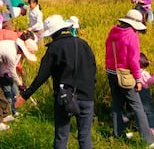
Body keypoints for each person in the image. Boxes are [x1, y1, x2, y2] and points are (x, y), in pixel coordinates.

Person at [16, 14, 96, 149]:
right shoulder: (83, 44)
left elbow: (42, 76)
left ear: (51, 34)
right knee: (84, 137)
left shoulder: (54, 48)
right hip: (87, 96)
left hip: (65, 97)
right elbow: (93, 69)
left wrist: (25, 95)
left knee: (61, 136)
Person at [105, 9, 154, 147]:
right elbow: (133, 60)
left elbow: (108, 48)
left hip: (111, 72)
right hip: (125, 74)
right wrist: (138, 79)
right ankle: (148, 140)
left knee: (117, 104)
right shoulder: (132, 35)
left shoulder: (113, 30)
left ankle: (119, 134)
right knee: (137, 106)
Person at [0, 35, 37, 130]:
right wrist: (20, 85)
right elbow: (12, 72)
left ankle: (6, 114)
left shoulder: (13, 47)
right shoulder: (11, 53)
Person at [139, 52, 154, 135]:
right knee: (149, 110)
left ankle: (141, 127)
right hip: (144, 92)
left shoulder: (132, 72)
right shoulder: (144, 73)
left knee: (140, 110)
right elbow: (151, 81)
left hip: (136, 93)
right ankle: (152, 128)